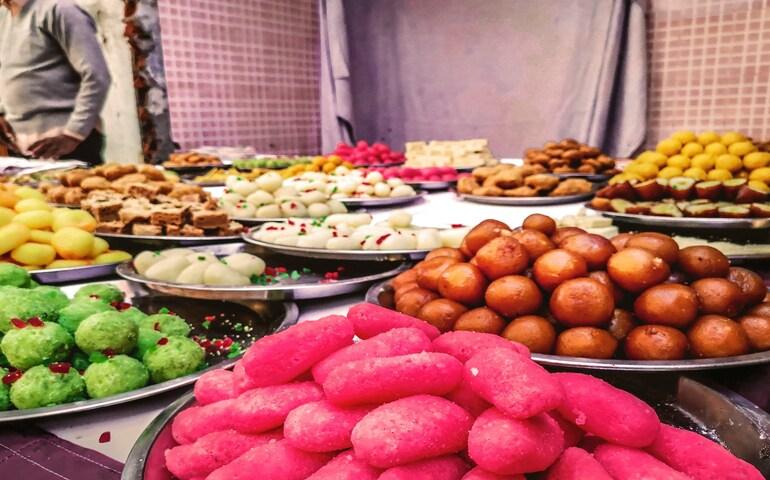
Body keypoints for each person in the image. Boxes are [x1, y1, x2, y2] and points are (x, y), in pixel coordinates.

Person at [0, 0, 111, 164]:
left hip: (66, 145)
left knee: (75, 190)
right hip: (21, 148)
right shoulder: (4, 17)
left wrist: (73, 134)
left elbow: (96, 75)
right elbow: (9, 72)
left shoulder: (60, 10)